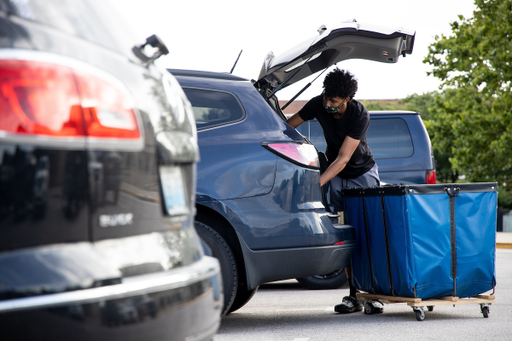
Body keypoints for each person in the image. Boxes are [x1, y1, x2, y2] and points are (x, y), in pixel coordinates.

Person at [285, 67, 383, 314]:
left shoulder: (360, 115)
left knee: (369, 235)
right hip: (337, 177)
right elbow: (288, 126)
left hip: (362, 174)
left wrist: (315, 182)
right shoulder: (318, 104)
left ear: (347, 99)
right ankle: (354, 296)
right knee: (348, 235)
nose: (328, 104)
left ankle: (374, 294)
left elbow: (343, 158)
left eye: (334, 101)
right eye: (326, 98)